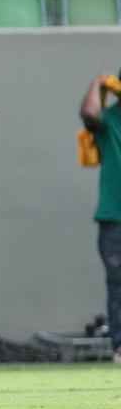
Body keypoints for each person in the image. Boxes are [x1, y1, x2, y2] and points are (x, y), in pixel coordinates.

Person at [79, 70, 121, 365]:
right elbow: (89, 114)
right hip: (114, 218)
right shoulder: (109, 119)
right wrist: (98, 83)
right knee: (117, 282)